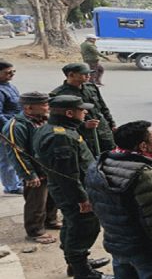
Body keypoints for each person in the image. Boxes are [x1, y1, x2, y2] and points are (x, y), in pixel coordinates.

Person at [86, 121, 152, 279]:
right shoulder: (146, 176)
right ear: (143, 146)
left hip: (117, 245)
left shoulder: (98, 166)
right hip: (148, 250)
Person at [33, 96, 111, 279]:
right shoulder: (60, 137)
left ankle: (77, 263)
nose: (85, 112)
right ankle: (83, 272)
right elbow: (67, 174)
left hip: (68, 189)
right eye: (81, 109)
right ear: (69, 113)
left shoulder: (56, 129)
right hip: (74, 191)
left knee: (72, 225)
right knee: (84, 228)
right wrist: (82, 199)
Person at [2, 92, 61, 244]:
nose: (48, 107)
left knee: (52, 197)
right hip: (35, 171)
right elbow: (17, 154)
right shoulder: (16, 126)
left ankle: (50, 220)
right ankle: (35, 231)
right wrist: (29, 174)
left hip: (49, 168)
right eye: (44, 105)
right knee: (36, 202)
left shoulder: (44, 120)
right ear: (29, 108)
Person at [51, 63, 117, 157]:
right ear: (71, 75)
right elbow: (59, 120)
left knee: (111, 155)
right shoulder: (58, 95)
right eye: (84, 74)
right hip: (84, 135)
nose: (88, 76)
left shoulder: (91, 88)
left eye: (89, 73)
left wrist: (112, 124)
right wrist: (84, 125)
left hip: (103, 130)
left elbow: (103, 108)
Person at [0, 60, 23, 195]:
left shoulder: (10, 86)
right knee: (7, 159)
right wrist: (8, 128)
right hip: (4, 130)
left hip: (14, 127)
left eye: (13, 71)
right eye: (7, 72)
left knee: (15, 156)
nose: (12, 74)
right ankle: (11, 186)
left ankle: (17, 181)